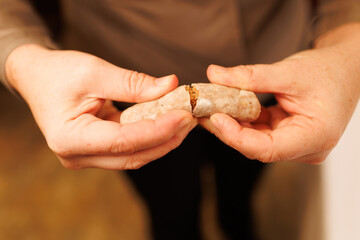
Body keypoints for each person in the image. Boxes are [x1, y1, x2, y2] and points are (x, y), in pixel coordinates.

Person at [1, 0, 359, 239]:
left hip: (269, 75)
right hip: (125, 80)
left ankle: (236, 222)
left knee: (242, 186)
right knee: (170, 210)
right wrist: (18, 53)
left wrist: (348, 37)